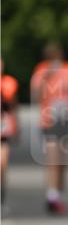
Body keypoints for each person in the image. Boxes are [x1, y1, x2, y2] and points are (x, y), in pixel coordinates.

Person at [30, 42, 68, 215]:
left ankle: (58, 193)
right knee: (53, 158)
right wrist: (47, 77)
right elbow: (35, 95)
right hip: (48, 120)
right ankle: (51, 196)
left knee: (62, 161)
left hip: (65, 120)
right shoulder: (41, 69)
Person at [1, 59, 19, 205]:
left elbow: (13, 106)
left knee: (2, 163)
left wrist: (17, 127)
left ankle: (2, 197)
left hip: (3, 128)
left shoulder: (9, 83)